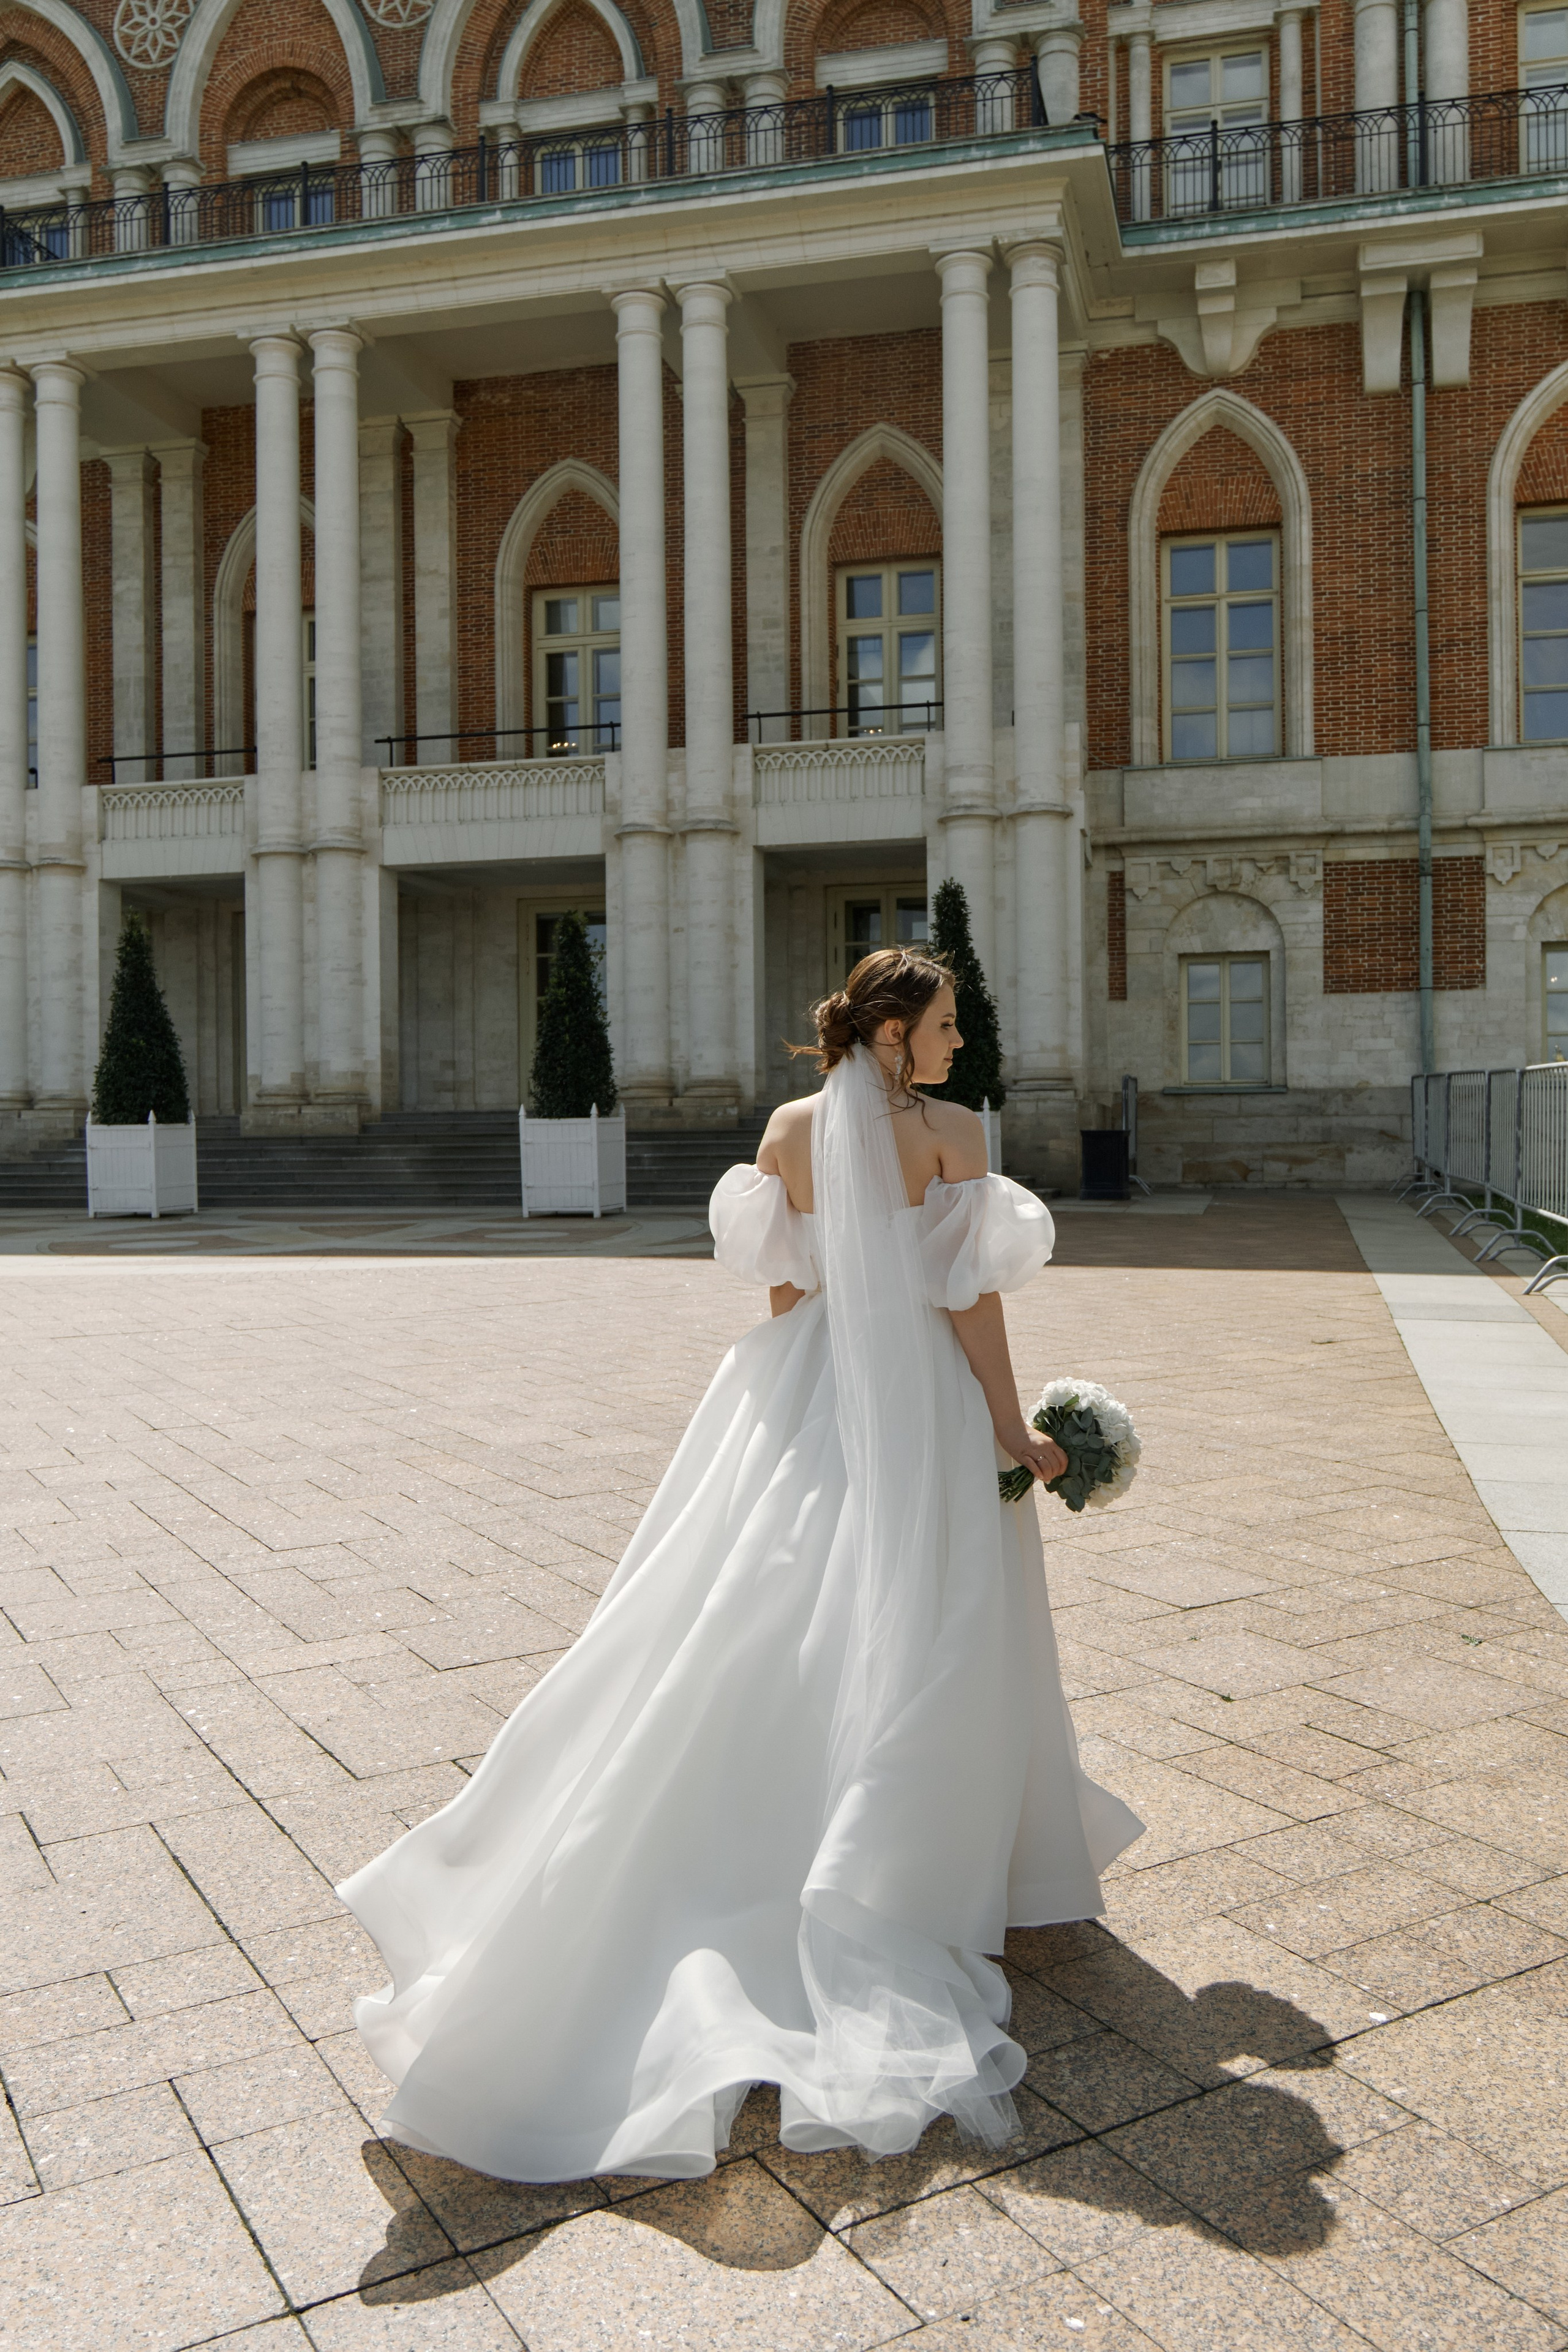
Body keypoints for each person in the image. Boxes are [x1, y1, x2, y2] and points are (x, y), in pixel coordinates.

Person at [338, 948, 1143, 2183]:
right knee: (935, 1612)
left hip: (808, 1383)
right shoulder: (951, 1135)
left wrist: (803, 1413)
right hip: (921, 1397)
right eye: (941, 1026)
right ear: (891, 1035)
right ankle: (914, 1859)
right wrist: (1008, 1428)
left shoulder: (785, 1130)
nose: (956, 1043)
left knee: (767, 1599)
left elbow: (785, 1291)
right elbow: (970, 1304)